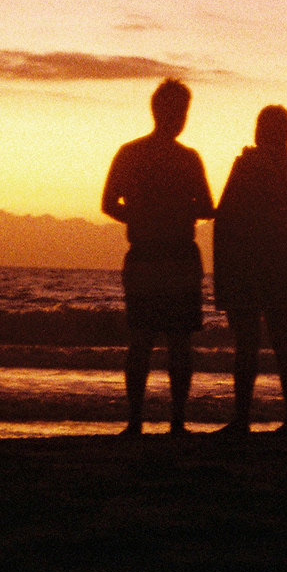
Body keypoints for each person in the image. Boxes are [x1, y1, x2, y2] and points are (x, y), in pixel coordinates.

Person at [102, 79, 215, 436]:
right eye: (179, 112)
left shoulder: (130, 153)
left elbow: (108, 204)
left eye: (183, 112)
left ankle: (139, 421)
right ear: (163, 112)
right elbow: (207, 207)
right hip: (172, 255)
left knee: (145, 340)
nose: (180, 118)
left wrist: (140, 217)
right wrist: (171, 214)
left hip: (151, 255)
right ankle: (172, 422)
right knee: (174, 342)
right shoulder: (187, 158)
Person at [210, 104, 287, 435]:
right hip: (280, 265)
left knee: (249, 342)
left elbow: (226, 216)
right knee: (282, 338)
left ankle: (243, 418)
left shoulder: (249, 164)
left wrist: (224, 273)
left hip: (247, 264)